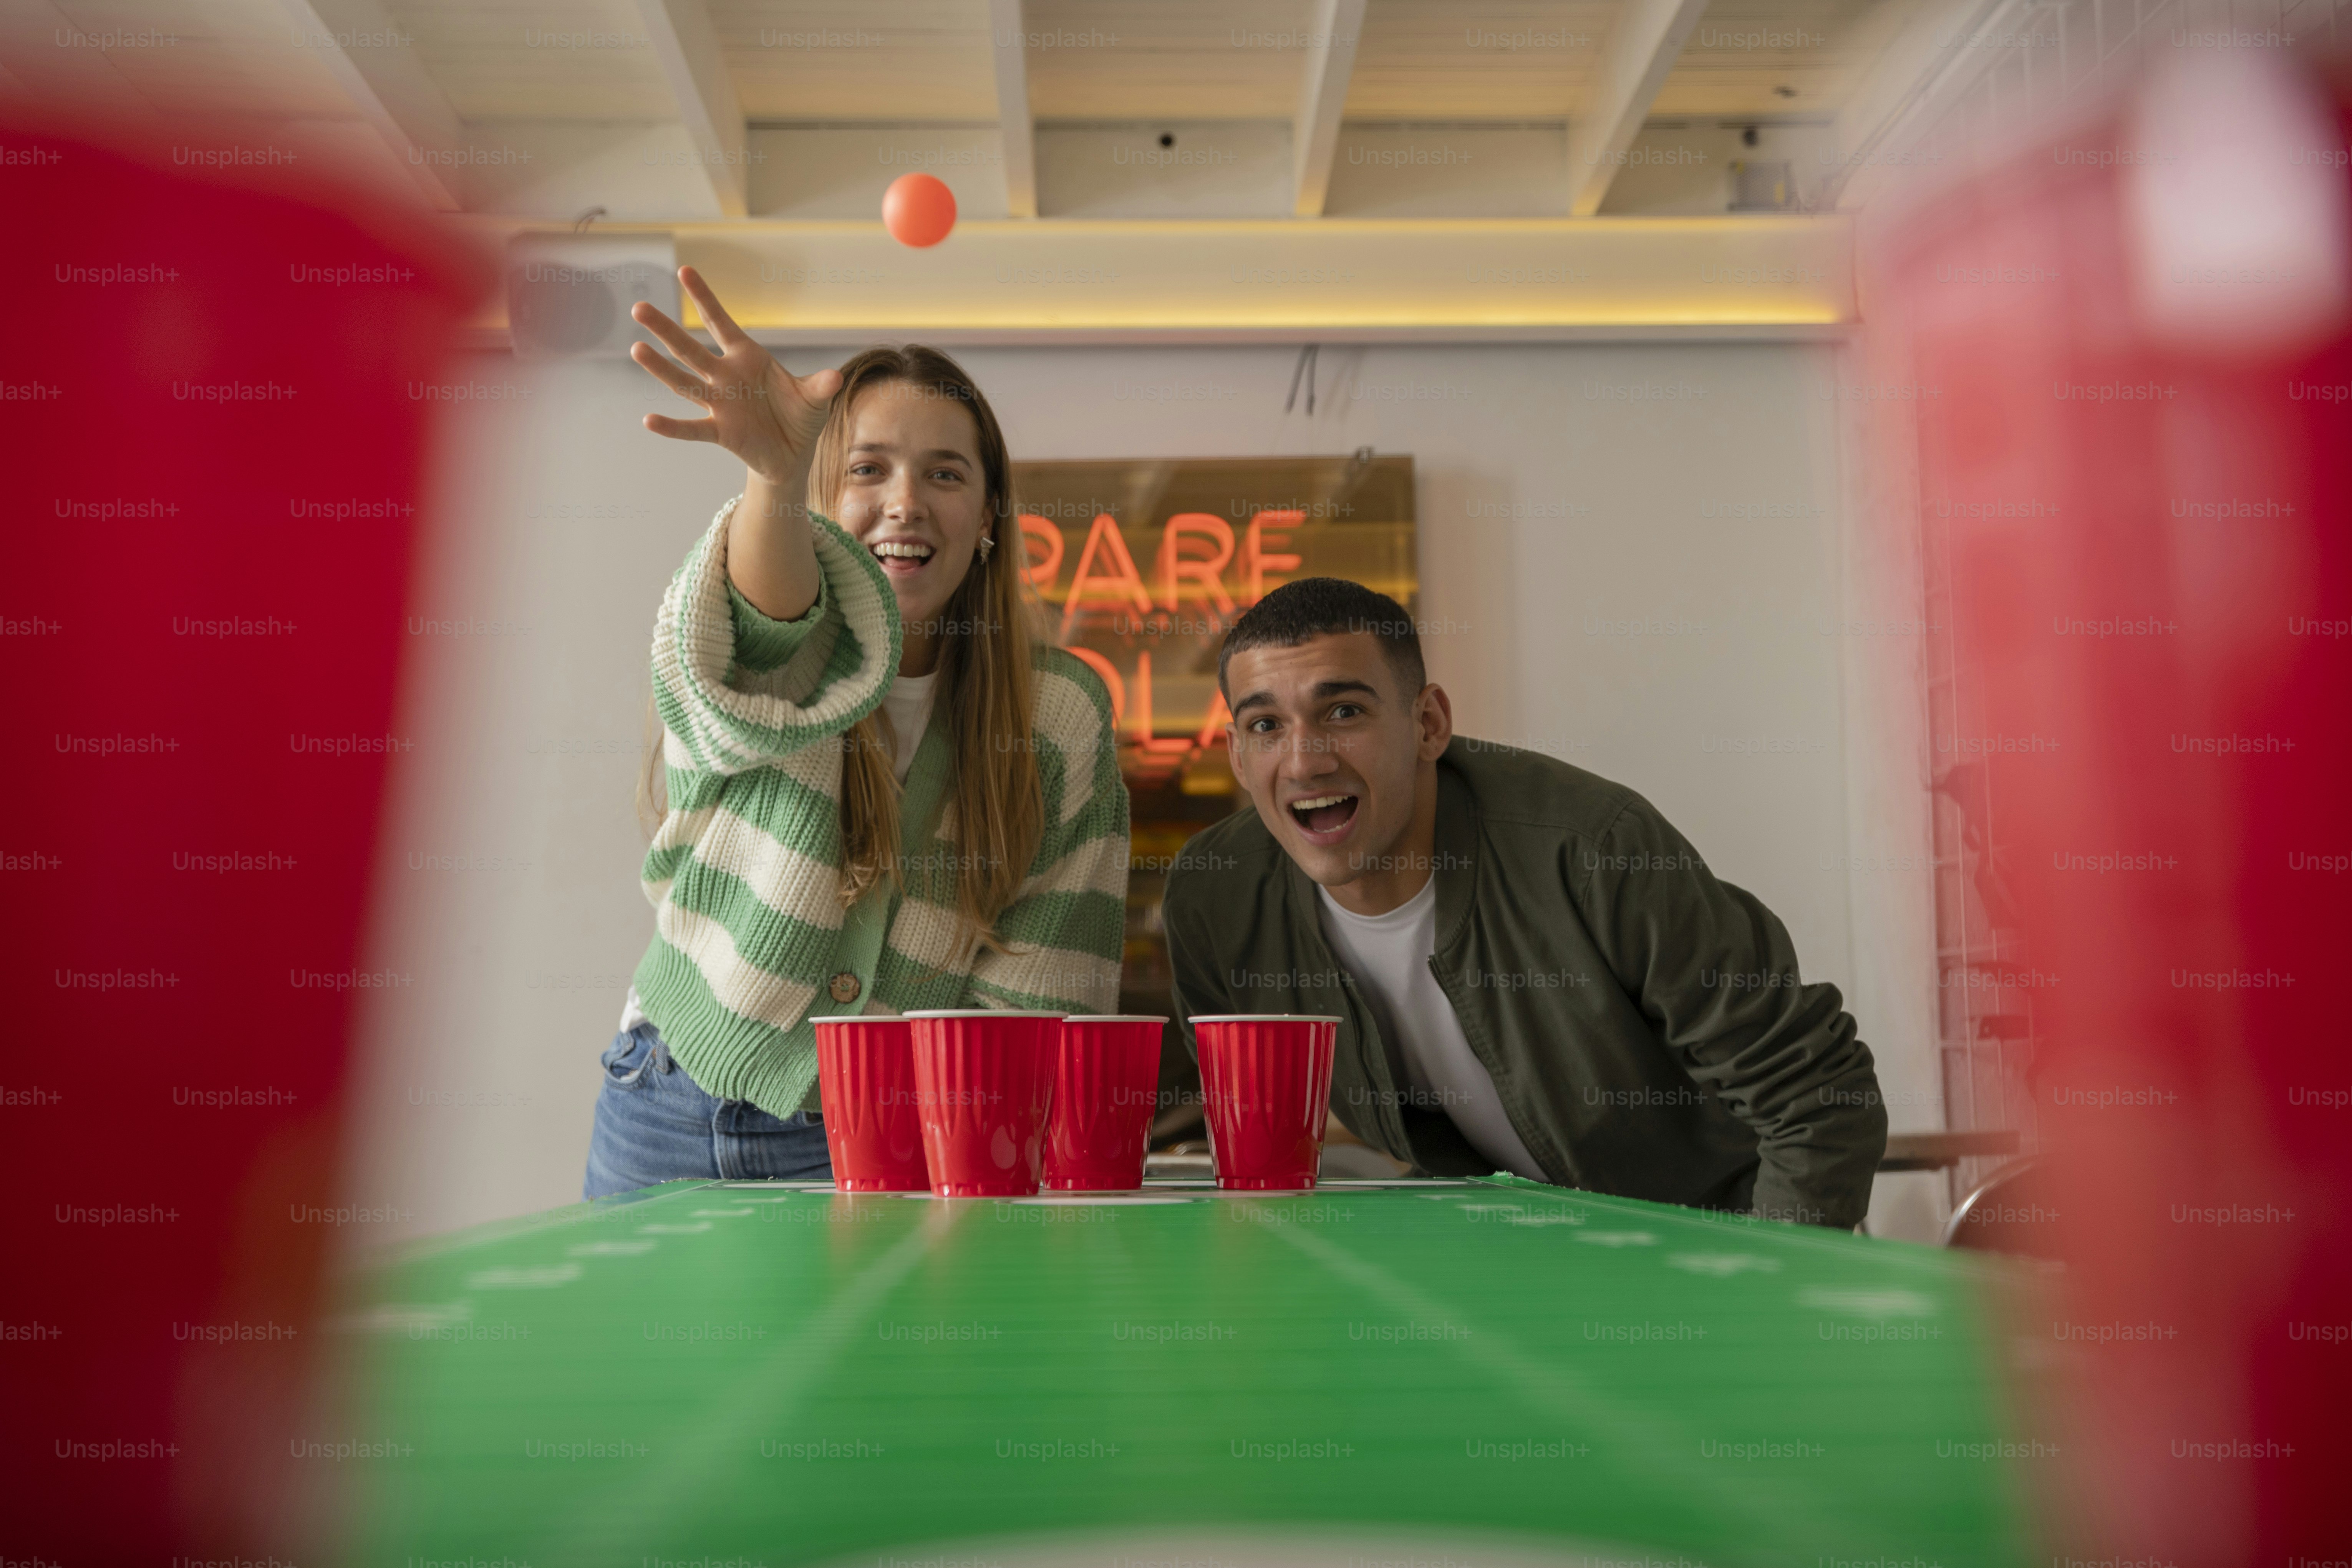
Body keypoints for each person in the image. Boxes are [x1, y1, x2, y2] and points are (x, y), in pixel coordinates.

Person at [585, 267, 1128, 1197]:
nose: (905, 501)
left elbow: (1046, 987)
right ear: (820, 498)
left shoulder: (1058, 715)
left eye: (944, 473)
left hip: (887, 1136)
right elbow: (750, 629)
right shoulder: (788, 645)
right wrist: (773, 477)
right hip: (666, 1098)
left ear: (987, 518)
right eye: (867, 469)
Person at [1163, 578, 1886, 1227]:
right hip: (1510, 1250)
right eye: (1266, 726)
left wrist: (1762, 1282)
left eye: (1344, 711)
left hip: (1706, 1243)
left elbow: (1818, 1096)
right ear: (1236, 755)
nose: (1304, 760)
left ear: (1428, 724)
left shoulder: (1593, 849)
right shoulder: (1217, 893)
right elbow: (1249, 1134)